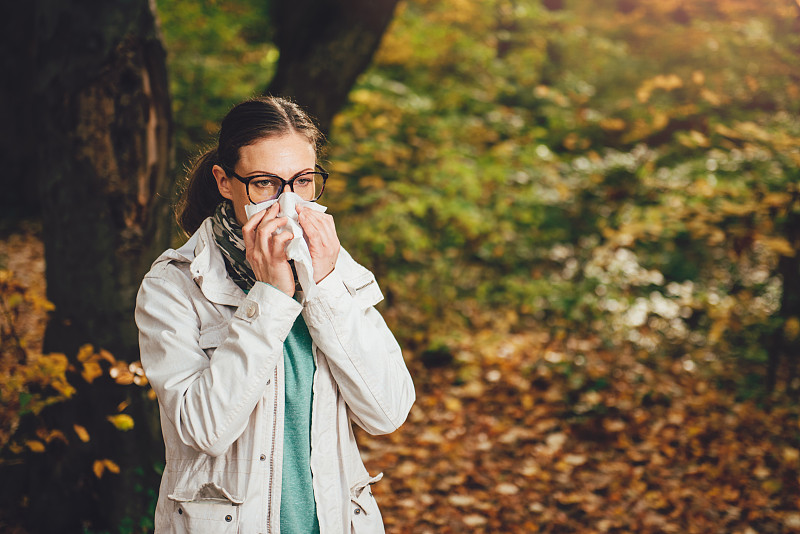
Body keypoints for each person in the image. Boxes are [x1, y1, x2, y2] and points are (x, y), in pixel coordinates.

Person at [135, 96, 415, 534]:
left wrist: (324, 288)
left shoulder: (331, 268)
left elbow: (387, 413)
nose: (287, 203)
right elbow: (205, 431)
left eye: (302, 181)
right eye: (265, 183)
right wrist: (269, 297)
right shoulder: (175, 285)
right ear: (225, 182)